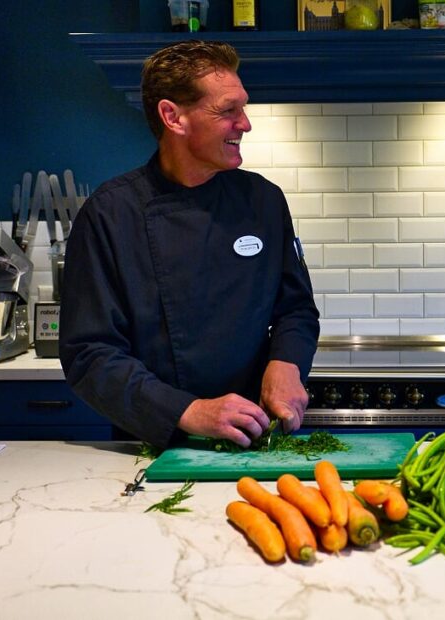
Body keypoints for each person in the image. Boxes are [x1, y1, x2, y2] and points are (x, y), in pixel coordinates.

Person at [60, 40, 320, 448]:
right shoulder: (110, 215)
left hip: (254, 437)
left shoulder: (263, 201)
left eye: (243, 108)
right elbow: (90, 354)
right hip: (154, 442)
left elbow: (296, 309)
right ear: (173, 117)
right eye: (227, 111)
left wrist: (286, 362)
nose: (246, 123)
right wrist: (188, 411)